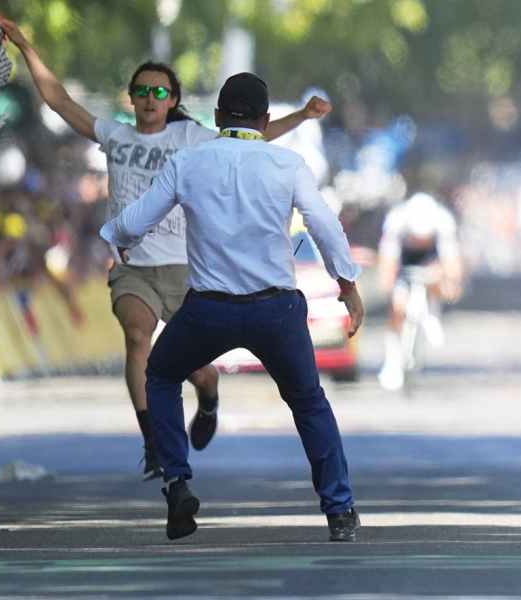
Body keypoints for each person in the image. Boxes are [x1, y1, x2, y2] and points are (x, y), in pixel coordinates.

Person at [0, 19, 331, 480]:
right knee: (138, 337)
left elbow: (249, 142)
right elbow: (58, 100)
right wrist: (25, 46)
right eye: (142, 91)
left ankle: (208, 391)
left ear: (173, 101)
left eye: (160, 93)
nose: (150, 100)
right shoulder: (115, 136)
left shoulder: (191, 139)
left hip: (184, 269)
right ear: (130, 99)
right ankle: (153, 439)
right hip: (134, 268)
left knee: (193, 369)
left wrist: (300, 117)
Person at [100, 72, 364, 542]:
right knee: (309, 403)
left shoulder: (190, 162)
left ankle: (177, 481)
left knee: (159, 375)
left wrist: (118, 238)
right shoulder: (287, 163)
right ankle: (339, 511)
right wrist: (347, 285)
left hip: (208, 311)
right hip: (275, 312)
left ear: (218, 117)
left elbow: (138, 217)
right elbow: (324, 225)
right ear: (265, 120)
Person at [376, 191, 463, 390]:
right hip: (404, 259)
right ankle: (392, 359)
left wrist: (450, 284)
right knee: (398, 306)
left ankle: (432, 311)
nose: (421, 241)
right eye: (417, 237)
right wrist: (389, 289)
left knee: (438, 277)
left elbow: (452, 264)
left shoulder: (443, 222)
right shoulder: (396, 221)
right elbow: (387, 263)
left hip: (431, 260)